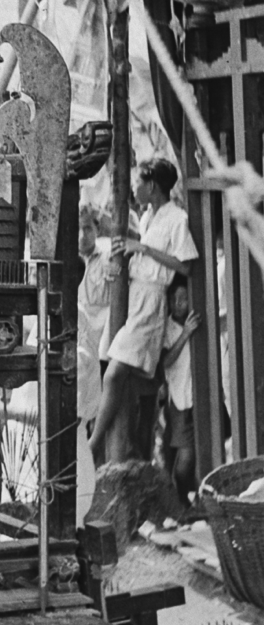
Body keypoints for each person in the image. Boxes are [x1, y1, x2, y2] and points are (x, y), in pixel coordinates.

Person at [88, 158, 197, 464]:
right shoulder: (147, 216)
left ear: (152, 185)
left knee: (115, 374)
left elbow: (186, 266)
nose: (134, 188)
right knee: (124, 376)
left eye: (138, 182)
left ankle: (95, 442)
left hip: (151, 301)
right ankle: (131, 453)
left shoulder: (177, 218)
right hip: (133, 295)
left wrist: (143, 249)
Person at [161, 276, 200, 507]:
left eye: (183, 298)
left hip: (199, 398)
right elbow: (165, 361)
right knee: (186, 456)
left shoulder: (197, 320)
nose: (178, 304)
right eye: (173, 299)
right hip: (180, 398)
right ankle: (181, 499)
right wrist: (185, 334)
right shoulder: (167, 327)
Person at [77, 205, 113, 438]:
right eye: (79, 229)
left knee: (100, 405)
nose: (83, 235)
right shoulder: (69, 258)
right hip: (79, 342)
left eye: (88, 228)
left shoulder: (108, 254)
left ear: (97, 229)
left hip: (102, 344)